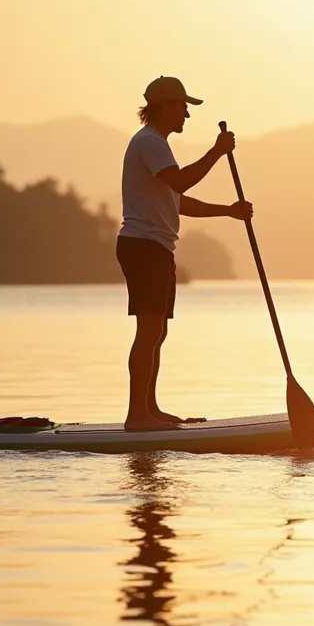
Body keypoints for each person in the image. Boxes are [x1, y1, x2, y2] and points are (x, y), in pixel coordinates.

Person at [117, 75, 253, 429]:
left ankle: (150, 409)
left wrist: (229, 211)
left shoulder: (157, 145)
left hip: (157, 247)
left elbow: (178, 201)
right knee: (149, 331)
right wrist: (217, 152)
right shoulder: (150, 142)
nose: (187, 115)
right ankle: (137, 416)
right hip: (143, 247)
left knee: (158, 332)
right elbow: (181, 182)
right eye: (183, 107)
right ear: (165, 107)